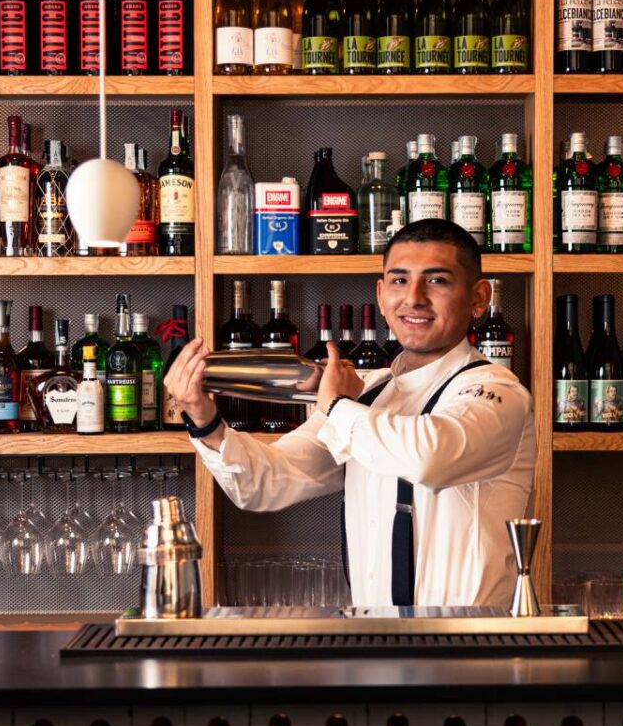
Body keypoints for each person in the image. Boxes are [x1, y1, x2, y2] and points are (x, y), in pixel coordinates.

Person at [165, 219, 537, 607]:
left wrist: (337, 406)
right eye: (398, 281)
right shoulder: (370, 394)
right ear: (380, 293)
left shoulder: (498, 390)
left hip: (469, 650)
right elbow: (267, 481)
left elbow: (430, 458)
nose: (413, 298)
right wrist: (204, 419)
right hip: (374, 644)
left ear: (479, 298)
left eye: (437, 281)